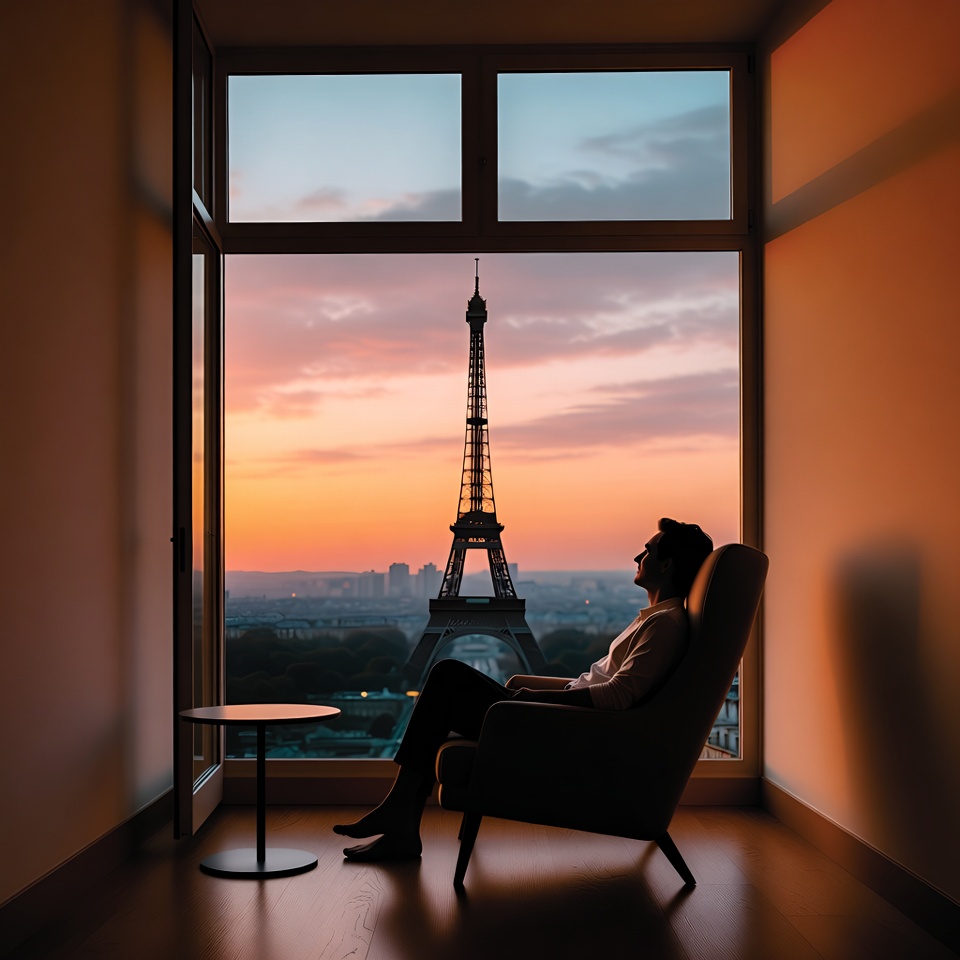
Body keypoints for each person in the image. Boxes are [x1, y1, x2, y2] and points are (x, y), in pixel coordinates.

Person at [334, 517, 713, 862]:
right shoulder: (658, 620)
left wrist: (537, 697)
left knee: (447, 677)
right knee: (446, 684)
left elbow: (617, 697)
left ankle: (399, 814)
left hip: (568, 726)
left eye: (647, 550)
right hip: (568, 719)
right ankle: (400, 818)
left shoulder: (664, 624)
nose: (637, 557)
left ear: (667, 564)